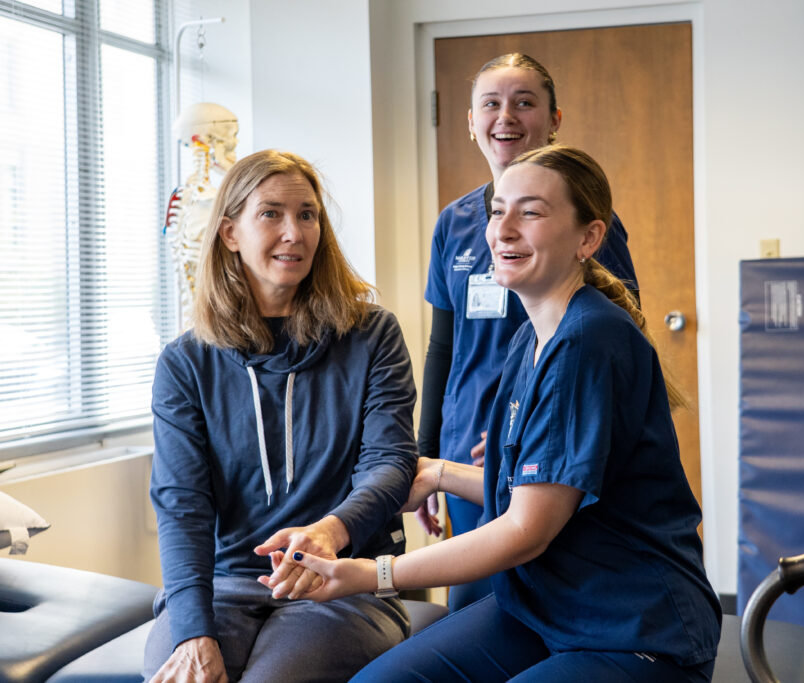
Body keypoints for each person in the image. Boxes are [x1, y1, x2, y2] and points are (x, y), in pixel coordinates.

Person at [273, 145, 721, 682]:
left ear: (589, 238)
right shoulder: (529, 338)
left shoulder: (587, 342)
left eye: (530, 212)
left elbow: (525, 528)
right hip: (544, 607)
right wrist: (438, 472)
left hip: (632, 627)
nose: (502, 230)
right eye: (497, 210)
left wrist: (373, 574)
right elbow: (539, 488)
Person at [145, 149, 418, 682]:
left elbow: (390, 463)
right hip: (226, 584)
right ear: (230, 233)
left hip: (343, 579)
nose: (295, 232)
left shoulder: (372, 335)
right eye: (271, 213)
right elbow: (182, 505)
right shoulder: (185, 362)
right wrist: (193, 631)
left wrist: (332, 531)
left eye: (308, 214)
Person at [417, 53, 640, 611]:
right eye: (490, 103)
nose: (505, 116)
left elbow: (622, 338)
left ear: (554, 118)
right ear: (470, 121)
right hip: (466, 451)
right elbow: (443, 347)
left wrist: (533, 432)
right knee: (472, 612)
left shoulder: (585, 221)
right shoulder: (455, 223)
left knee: (544, 610)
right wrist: (425, 459)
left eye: (524, 102)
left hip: (548, 451)